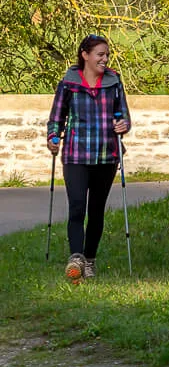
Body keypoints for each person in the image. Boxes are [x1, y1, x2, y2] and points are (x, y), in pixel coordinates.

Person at [45, 36, 131, 282]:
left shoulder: (114, 82)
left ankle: (90, 259)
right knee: (77, 206)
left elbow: (124, 117)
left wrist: (122, 126)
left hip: (106, 155)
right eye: (100, 54)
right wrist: (53, 137)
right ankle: (76, 258)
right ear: (85, 54)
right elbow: (56, 117)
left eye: (106, 55)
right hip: (75, 154)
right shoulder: (69, 84)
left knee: (96, 210)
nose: (104, 59)